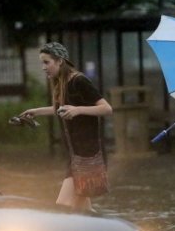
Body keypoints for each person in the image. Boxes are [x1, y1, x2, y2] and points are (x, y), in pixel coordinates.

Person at [19, 42, 112, 211]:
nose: (43, 67)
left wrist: (78, 110)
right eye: (42, 63)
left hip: (88, 155)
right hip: (74, 154)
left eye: (46, 62)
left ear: (60, 61)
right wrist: (36, 112)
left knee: (63, 207)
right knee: (84, 212)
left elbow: (106, 108)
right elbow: (61, 109)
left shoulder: (79, 80)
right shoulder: (60, 82)